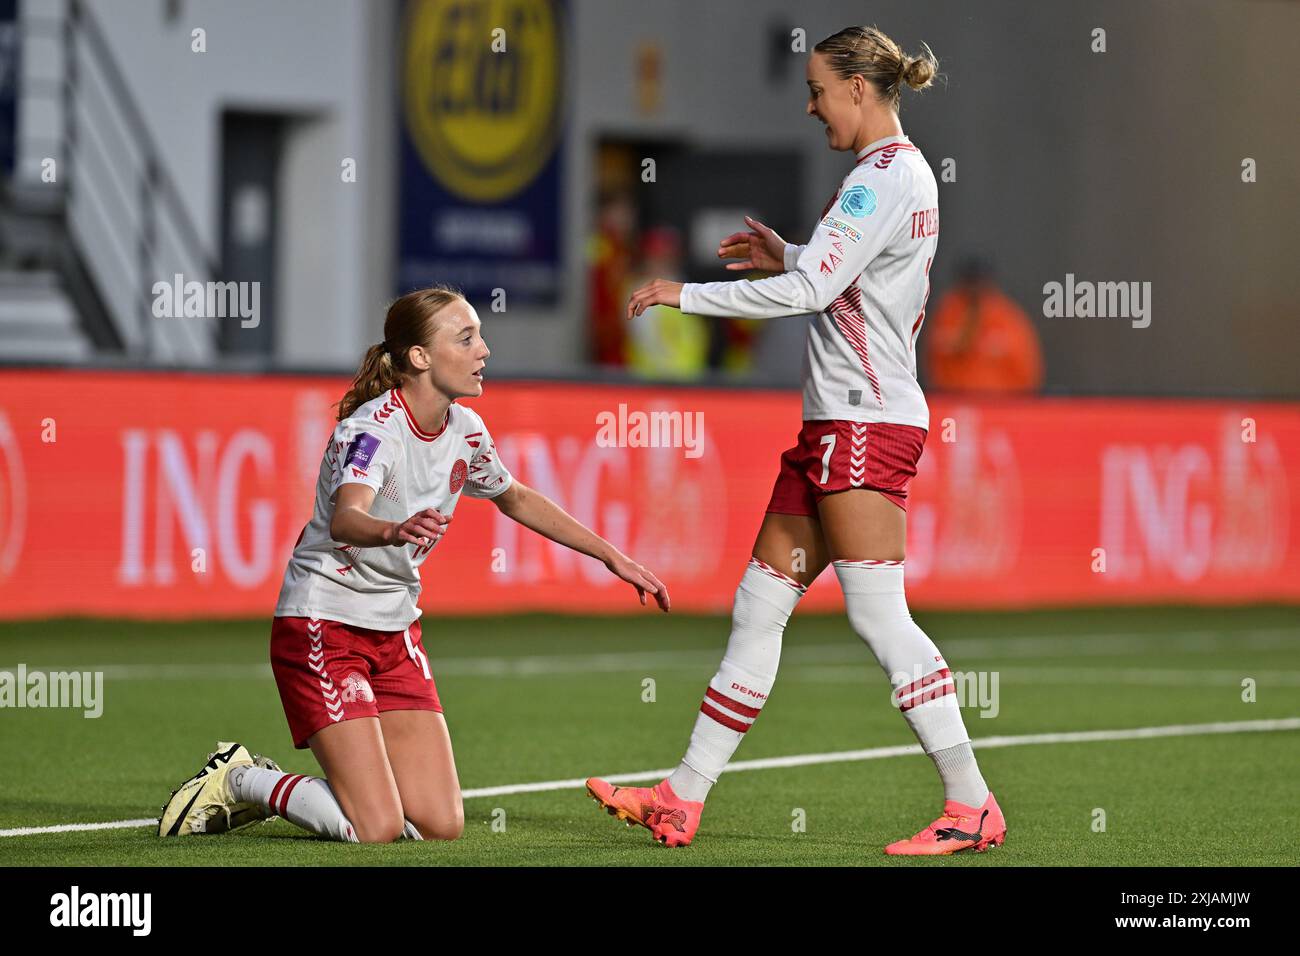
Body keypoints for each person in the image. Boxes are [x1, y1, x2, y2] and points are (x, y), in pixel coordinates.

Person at [586, 25, 1007, 855]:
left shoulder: (883, 177)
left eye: (819, 88)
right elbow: (843, 275)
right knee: (759, 606)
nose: (811, 104)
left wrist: (687, 294)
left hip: (864, 420)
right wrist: (788, 250)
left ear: (858, 85)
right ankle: (681, 797)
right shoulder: (889, 176)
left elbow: (816, 291)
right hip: (837, 423)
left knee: (880, 617)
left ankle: (971, 803)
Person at [159, 285, 670, 843]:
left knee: (440, 823)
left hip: (395, 630)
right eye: (467, 337)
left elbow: (516, 497)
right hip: (323, 623)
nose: (484, 350)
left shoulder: (466, 430)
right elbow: (346, 518)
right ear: (420, 357)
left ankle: (293, 785)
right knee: (374, 827)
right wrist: (393, 530)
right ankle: (244, 779)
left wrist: (612, 557)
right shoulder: (374, 431)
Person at [924, 256, 1044, 393]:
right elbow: (935, 363)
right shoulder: (948, 314)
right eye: (970, 282)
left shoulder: (1006, 317)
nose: (974, 289)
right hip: (954, 402)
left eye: (979, 283)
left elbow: (1028, 368)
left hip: (1001, 405)